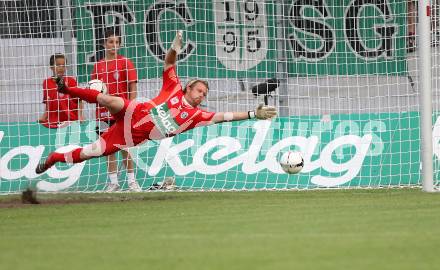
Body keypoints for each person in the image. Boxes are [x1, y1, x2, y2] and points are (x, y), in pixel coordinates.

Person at [35, 31, 277, 191]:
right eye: (199, 90)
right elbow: (170, 62)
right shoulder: (173, 86)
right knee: (108, 99)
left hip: (129, 136)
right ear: (188, 87)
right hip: (134, 111)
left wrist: (253, 114)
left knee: (91, 152)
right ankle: (67, 88)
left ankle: (54, 158)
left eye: (205, 94)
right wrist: (173, 48)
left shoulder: (197, 117)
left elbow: (226, 117)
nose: (201, 95)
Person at [92, 28, 139, 192]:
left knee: (125, 147)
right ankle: (113, 183)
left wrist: (131, 106)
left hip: (122, 112)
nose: (114, 45)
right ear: (104, 44)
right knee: (108, 148)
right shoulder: (98, 66)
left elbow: (133, 85)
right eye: (111, 42)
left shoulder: (125, 62)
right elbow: (94, 91)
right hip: (103, 113)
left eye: (117, 42)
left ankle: (132, 181)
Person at [38, 53, 84, 128]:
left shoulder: (71, 81)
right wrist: (44, 117)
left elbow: (79, 100)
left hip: (70, 121)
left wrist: (80, 116)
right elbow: (48, 102)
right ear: (51, 67)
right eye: (58, 65)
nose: (61, 68)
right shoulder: (46, 82)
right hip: (53, 122)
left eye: (63, 65)